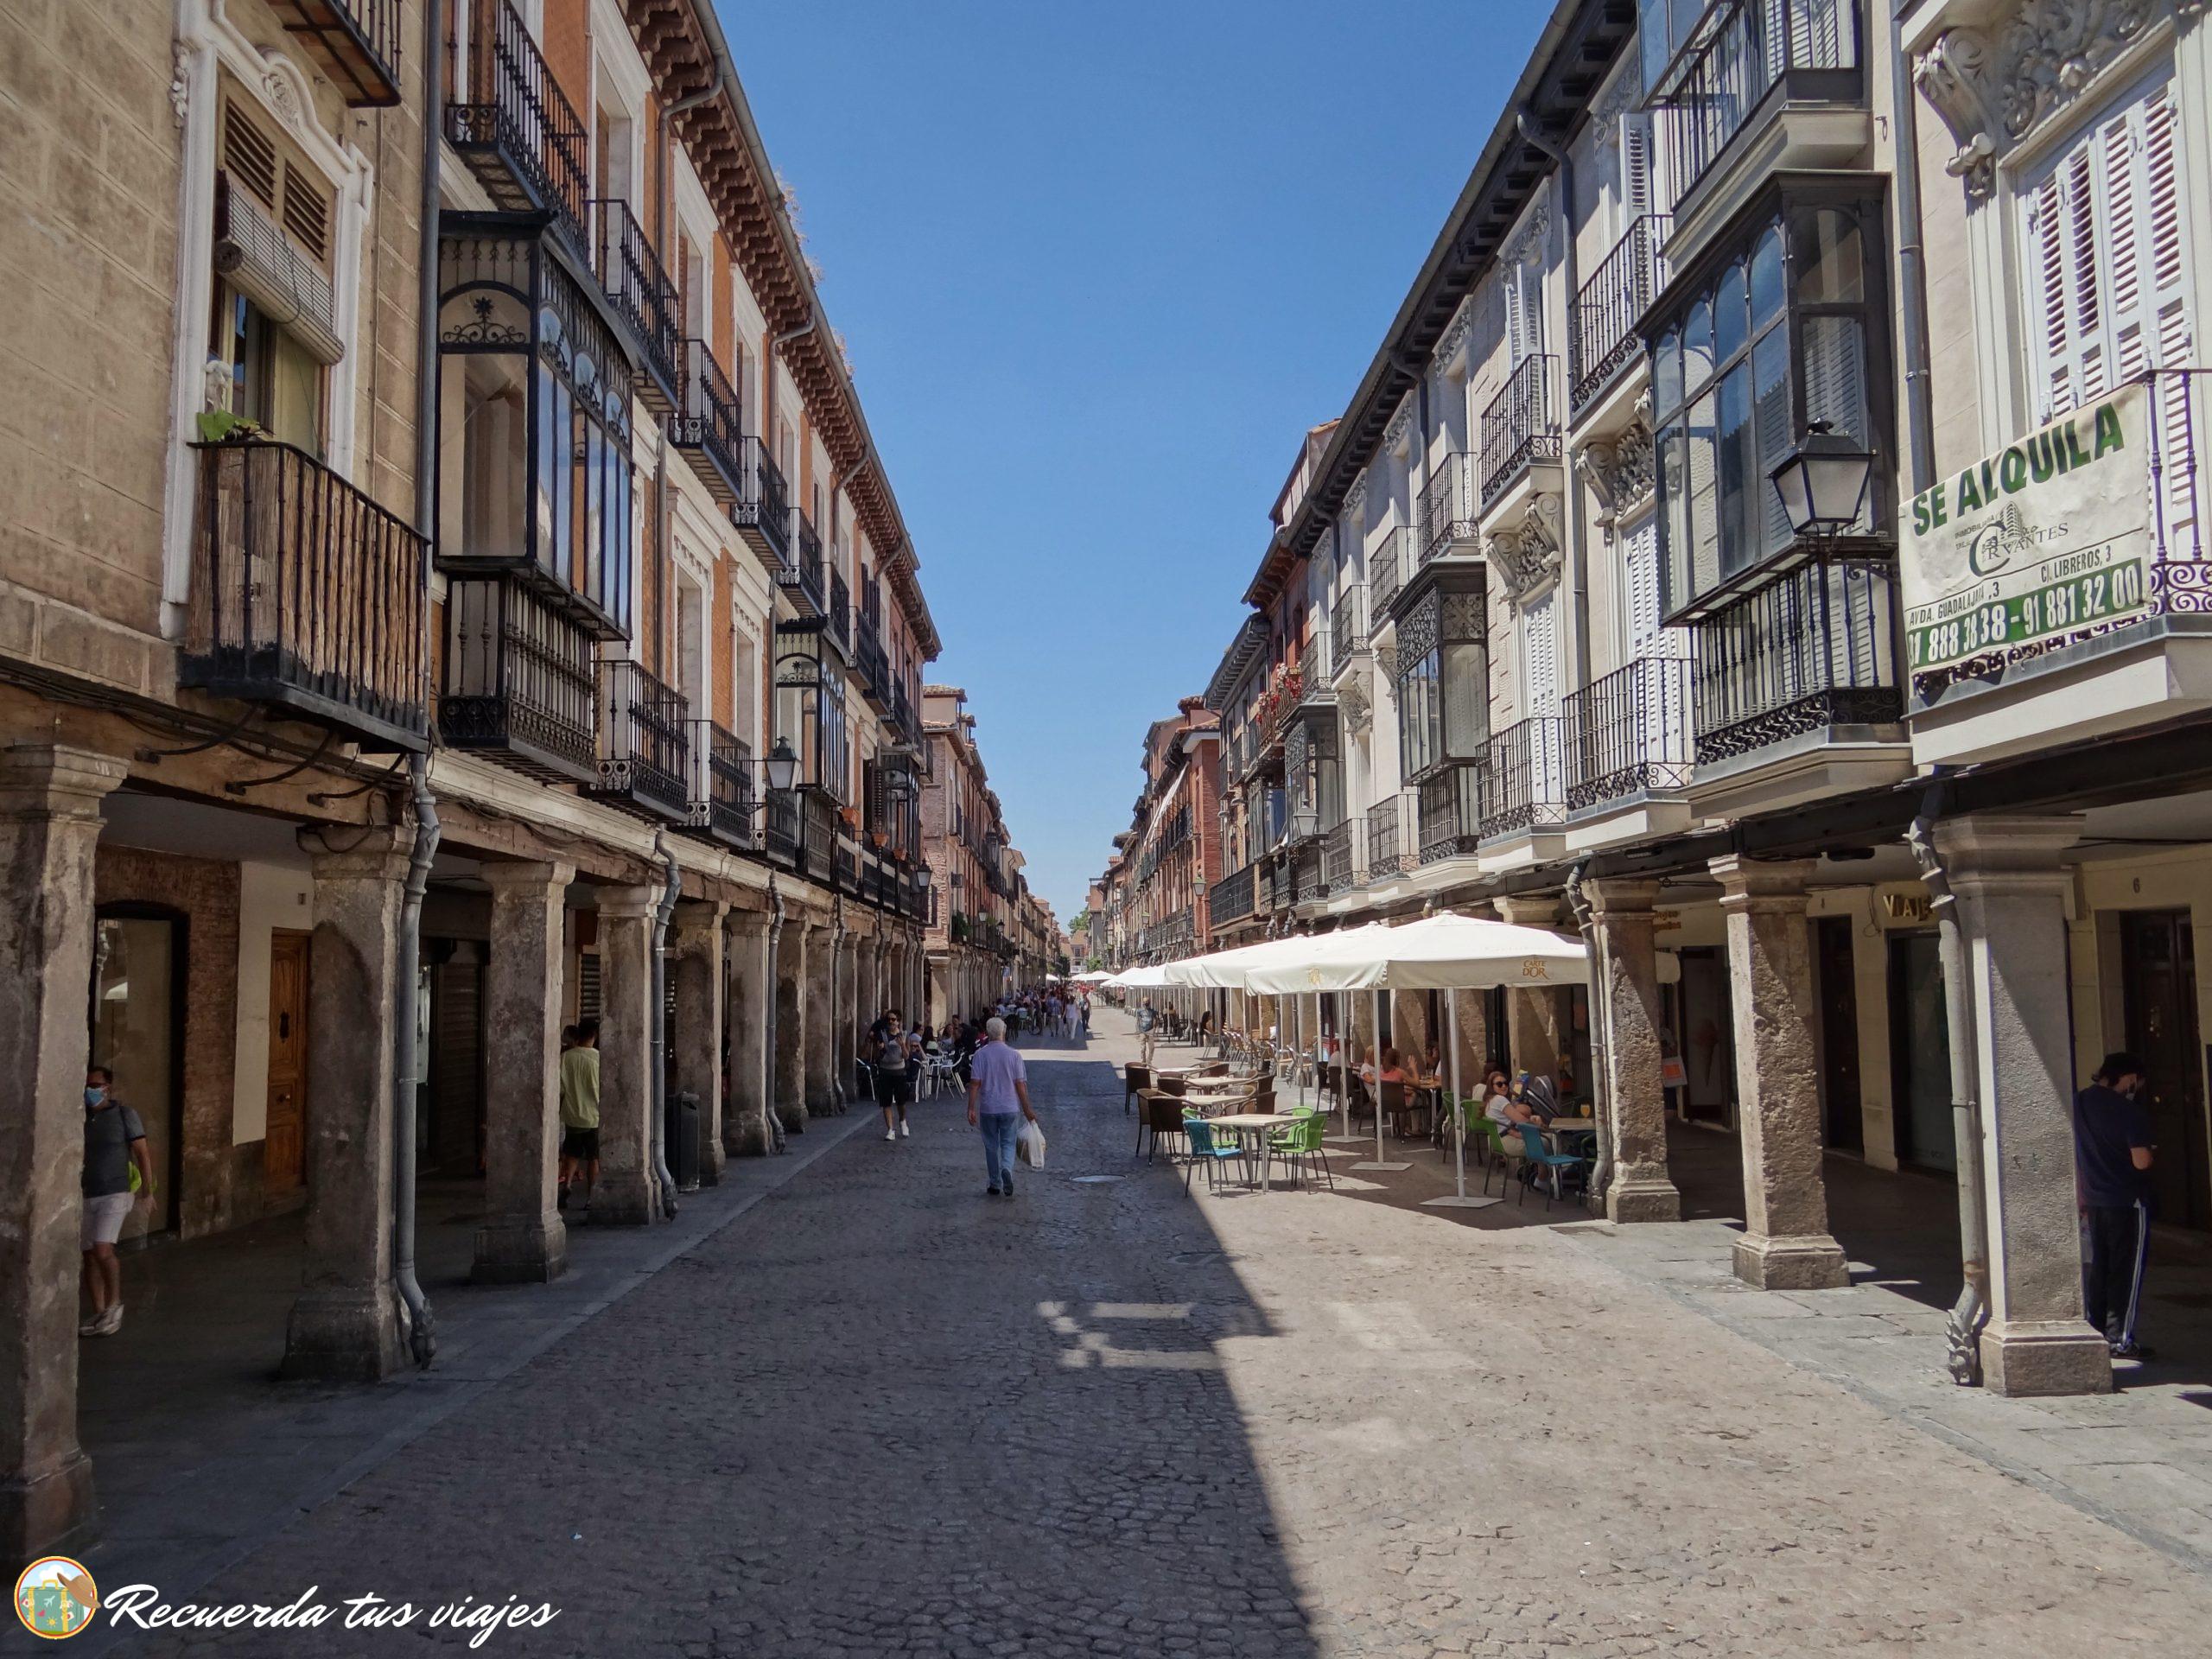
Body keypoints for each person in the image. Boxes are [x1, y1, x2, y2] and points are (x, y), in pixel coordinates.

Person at [2076, 1050, 2156, 1359]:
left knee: (2100, 1266)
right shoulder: (2129, 1112)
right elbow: (2141, 1161)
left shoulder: (2080, 1101)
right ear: (2130, 1078)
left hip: (2095, 1197)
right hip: (2127, 1200)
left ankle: (2096, 1328)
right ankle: (2120, 1338)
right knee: (2126, 1270)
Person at [80, 1065, 152, 1337]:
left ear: (107, 1088)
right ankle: (100, 1312)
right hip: (87, 1193)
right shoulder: (82, 1117)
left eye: (95, 1085)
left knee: (102, 1250)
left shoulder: (124, 1115)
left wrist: (148, 1191)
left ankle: (114, 1305)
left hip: (116, 1192)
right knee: (89, 1256)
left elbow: (142, 1153)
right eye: (86, 1085)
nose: (90, 1090)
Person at [966, 1016, 1039, 1198]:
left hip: (988, 1108)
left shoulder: (980, 1055)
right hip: (1010, 1107)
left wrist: (971, 1108)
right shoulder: (1014, 1056)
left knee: (991, 1146)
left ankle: (995, 1183)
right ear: (1003, 1032)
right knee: (1008, 1143)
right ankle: (1006, 1168)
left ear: (988, 1033)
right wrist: (1027, 1109)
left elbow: (975, 1084)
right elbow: (1020, 1085)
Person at [558, 1019, 601, 1212]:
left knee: (572, 1153)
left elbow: (560, 1089)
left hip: (572, 1115)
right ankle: (591, 1197)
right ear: (594, 1035)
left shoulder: (566, 1058)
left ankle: (567, 1184)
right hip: (593, 1117)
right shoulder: (598, 1059)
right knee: (593, 1158)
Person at [874, 1009, 915, 1141]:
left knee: (901, 1102)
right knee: (886, 1102)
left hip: (899, 1072)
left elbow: (907, 1056)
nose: (890, 1022)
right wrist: (880, 1049)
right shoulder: (882, 1034)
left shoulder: (904, 1035)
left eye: (893, 1019)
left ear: (898, 1021)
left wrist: (902, 1045)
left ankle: (902, 1121)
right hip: (885, 1071)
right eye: (888, 1020)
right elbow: (876, 1055)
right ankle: (890, 1130)